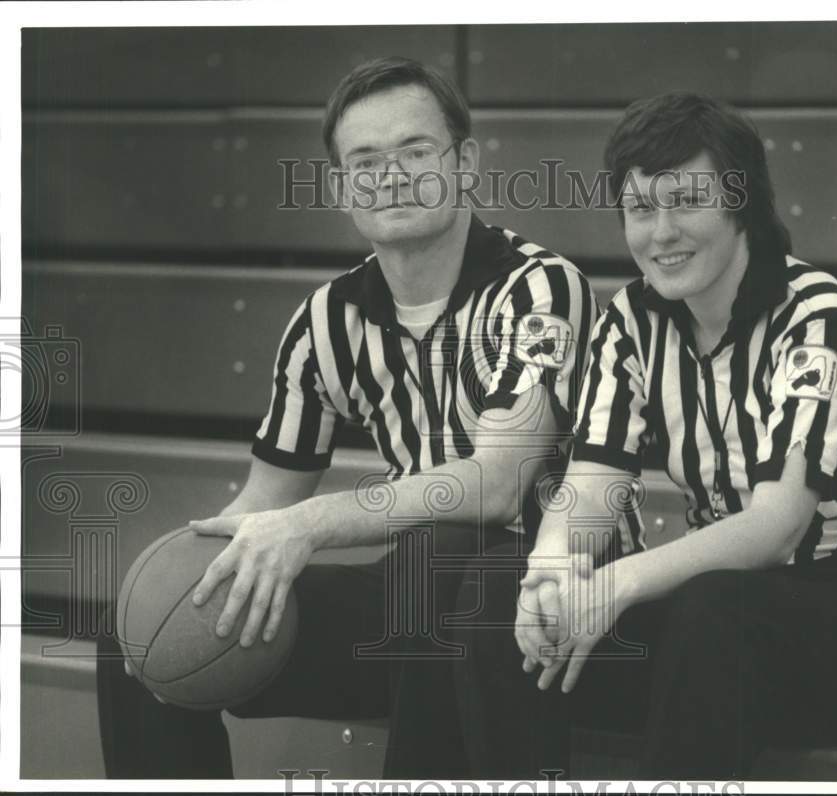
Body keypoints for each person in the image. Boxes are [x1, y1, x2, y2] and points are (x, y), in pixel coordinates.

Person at [96, 56, 599, 779]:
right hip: (415, 606)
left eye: (415, 151)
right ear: (340, 188)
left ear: (465, 163)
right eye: (365, 160)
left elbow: (495, 485)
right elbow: (264, 506)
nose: (390, 175)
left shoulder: (538, 288)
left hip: (548, 598)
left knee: (442, 553)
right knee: (139, 631)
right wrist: (189, 571)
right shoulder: (323, 321)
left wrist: (309, 526)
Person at [453, 92, 837, 780]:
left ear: (740, 204)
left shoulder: (817, 318)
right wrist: (552, 573)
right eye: (639, 210)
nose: (661, 233)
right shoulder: (632, 319)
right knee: (497, 595)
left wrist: (620, 582)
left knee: (712, 610)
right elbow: (591, 492)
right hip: (724, 620)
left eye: (685, 202)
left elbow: (777, 525)